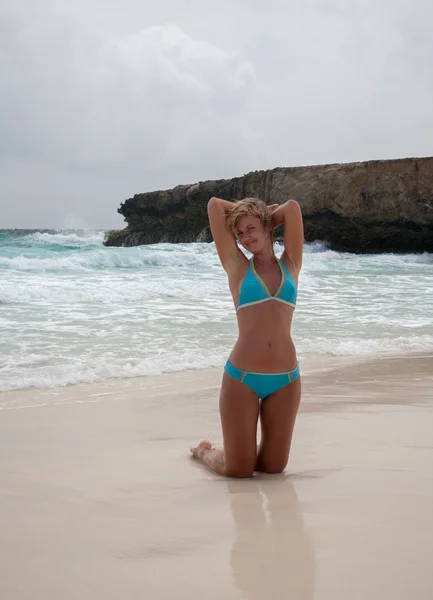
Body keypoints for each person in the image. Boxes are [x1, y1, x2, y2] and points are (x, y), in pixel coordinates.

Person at [190, 196, 304, 478]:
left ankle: (239, 449)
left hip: (286, 380)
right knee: (238, 470)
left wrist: (264, 216)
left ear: (266, 227)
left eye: (251, 229)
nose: (244, 238)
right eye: (239, 233)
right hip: (242, 378)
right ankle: (205, 452)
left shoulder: (291, 264)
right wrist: (255, 217)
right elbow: (215, 206)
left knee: (273, 468)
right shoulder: (238, 267)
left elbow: (291, 208)